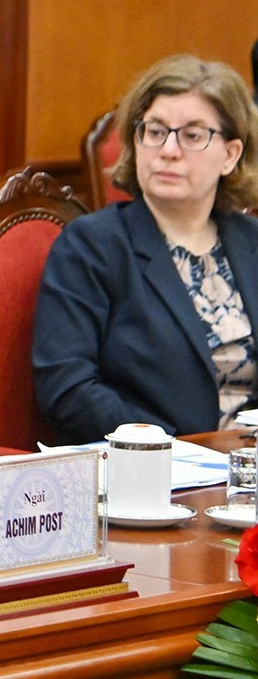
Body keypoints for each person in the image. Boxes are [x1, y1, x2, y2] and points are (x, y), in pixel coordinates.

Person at [34, 54, 258, 443]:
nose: (169, 150)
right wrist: (172, 447)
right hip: (154, 474)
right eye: (155, 131)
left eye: (192, 135)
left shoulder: (251, 240)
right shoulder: (93, 246)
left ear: (231, 155)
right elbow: (67, 388)